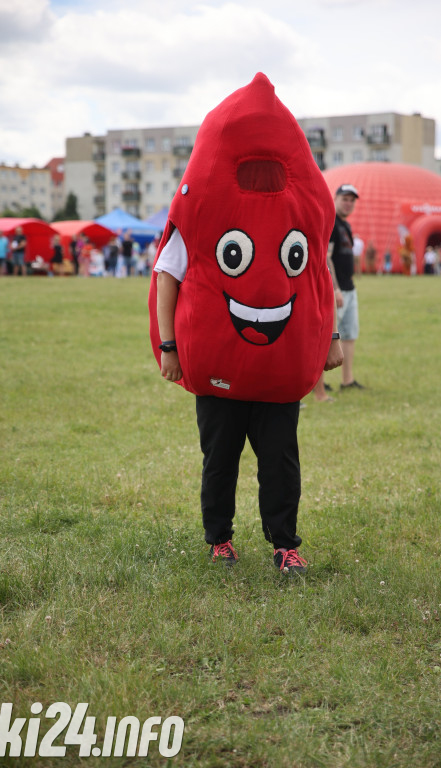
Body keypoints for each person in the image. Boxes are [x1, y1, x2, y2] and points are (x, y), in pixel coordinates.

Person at [149, 73, 343, 574]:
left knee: (280, 461)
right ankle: (220, 538)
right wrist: (169, 345)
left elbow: (317, 278)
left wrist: (332, 340)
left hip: (277, 370)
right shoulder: (201, 210)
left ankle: (285, 543)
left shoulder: (297, 213)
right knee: (221, 460)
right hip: (219, 368)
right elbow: (168, 276)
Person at [318, 183, 364, 391]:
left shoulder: (346, 226)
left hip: (349, 287)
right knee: (326, 336)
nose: (348, 203)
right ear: (335, 199)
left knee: (349, 334)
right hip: (337, 290)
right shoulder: (332, 223)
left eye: (351, 200)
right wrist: (334, 288)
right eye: (344, 199)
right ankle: (318, 383)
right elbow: (326, 257)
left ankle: (347, 381)